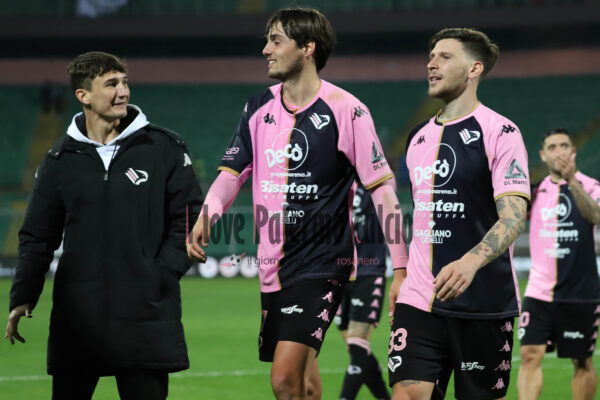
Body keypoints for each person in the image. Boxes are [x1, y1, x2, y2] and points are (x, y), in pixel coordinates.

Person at [187, 8, 408, 400]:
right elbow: (232, 173)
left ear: (307, 47)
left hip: (323, 263)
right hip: (272, 266)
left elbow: (382, 190)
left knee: (283, 380)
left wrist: (402, 267)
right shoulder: (257, 107)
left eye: (276, 41)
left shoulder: (347, 109)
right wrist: (208, 214)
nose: (266, 50)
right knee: (304, 383)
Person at [5, 51, 203, 400]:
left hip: (146, 316)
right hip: (78, 321)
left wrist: (160, 273)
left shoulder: (163, 147)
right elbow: (37, 235)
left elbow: (189, 216)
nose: (123, 91)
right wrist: (23, 295)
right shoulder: (59, 159)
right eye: (111, 84)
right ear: (83, 95)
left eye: (125, 82)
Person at [387, 28, 531, 400]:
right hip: (420, 299)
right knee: (406, 395)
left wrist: (470, 263)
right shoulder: (417, 137)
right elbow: (422, 217)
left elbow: (514, 217)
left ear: (474, 69)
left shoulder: (501, 132)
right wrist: (401, 275)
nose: (431, 64)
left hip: (483, 303)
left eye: (445, 56)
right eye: (431, 56)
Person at [517, 128, 600, 400]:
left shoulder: (591, 186)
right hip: (539, 291)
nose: (559, 152)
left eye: (564, 146)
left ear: (573, 151)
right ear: (543, 155)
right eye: (552, 147)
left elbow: (596, 216)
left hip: (580, 291)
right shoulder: (534, 191)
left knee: (582, 360)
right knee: (529, 354)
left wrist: (571, 180)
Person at [335, 183, 390, 400]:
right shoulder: (336, 181)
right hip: (339, 274)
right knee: (355, 350)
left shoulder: (376, 180)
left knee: (358, 346)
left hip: (368, 271)